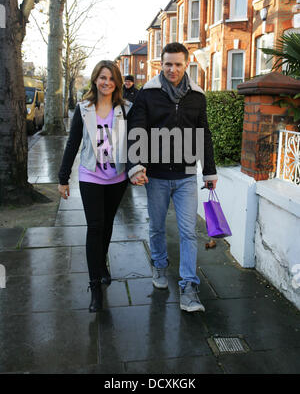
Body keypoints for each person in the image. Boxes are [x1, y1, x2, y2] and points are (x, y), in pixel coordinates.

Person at [127, 42, 218, 313]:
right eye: (168, 63)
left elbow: (204, 133)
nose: (173, 69)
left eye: (178, 64)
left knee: (188, 232)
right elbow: (136, 129)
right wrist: (136, 165)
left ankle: (188, 286)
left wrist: (209, 170)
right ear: (161, 64)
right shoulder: (148, 94)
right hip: (155, 175)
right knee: (156, 227)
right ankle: (159, 265)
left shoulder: (197, 96)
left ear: (186, 64)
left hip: (187, 175)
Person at [58, 60, 131, 313]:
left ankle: (101, 264)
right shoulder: (84, 108)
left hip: (117, 178)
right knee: (95, 227)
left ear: (117, 82)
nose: (107, 82)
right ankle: (95, 289)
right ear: (95, 80)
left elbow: (135, 142)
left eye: (111, 78)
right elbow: (73, 143)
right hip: (91, 176)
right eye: (102, 77)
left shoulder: (125, 109)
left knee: (108, 224)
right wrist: (62, 176)